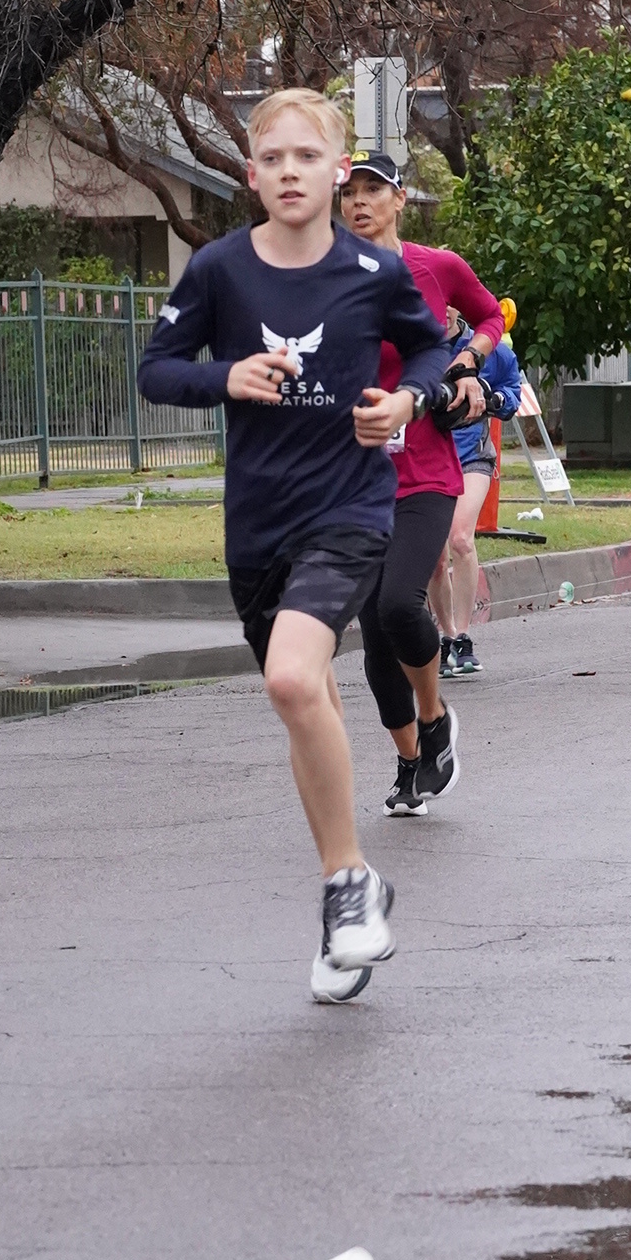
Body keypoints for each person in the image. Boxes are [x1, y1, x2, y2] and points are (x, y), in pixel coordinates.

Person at [137, 88, 455, 1003]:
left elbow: (429, 353)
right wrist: (225, 377)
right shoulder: (220, 270)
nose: (289, 172)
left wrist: (406, 402)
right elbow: (157, 370)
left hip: (350, 511)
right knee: (304, 693)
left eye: (307, 158)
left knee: (288, 679)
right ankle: (347, 898)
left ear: (338, 172)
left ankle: (348, 882)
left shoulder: (374, 273)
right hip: (257, 526)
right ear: (251, 174)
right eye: (272, 158)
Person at [336, 150, 502, 806]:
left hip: (426, 470)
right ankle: (410, 763)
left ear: (400, 199)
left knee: (398, 603)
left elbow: (490, 315)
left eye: (373, 190)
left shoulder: (436, 267)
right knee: (376, 638)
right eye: (349, 192)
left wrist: (468, 364)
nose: (360, 202)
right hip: (355, 480)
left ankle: (434, 720)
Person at [430, 316, 524, 679]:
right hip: (430, 460)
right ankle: (446, 636)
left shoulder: (488, 349)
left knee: (460, 539)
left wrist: (496, 399)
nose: (442, 309)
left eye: (449, 300)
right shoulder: (418, 346)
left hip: (472, 457)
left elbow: (511, 390)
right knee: (436, 558)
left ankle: (464, 638)